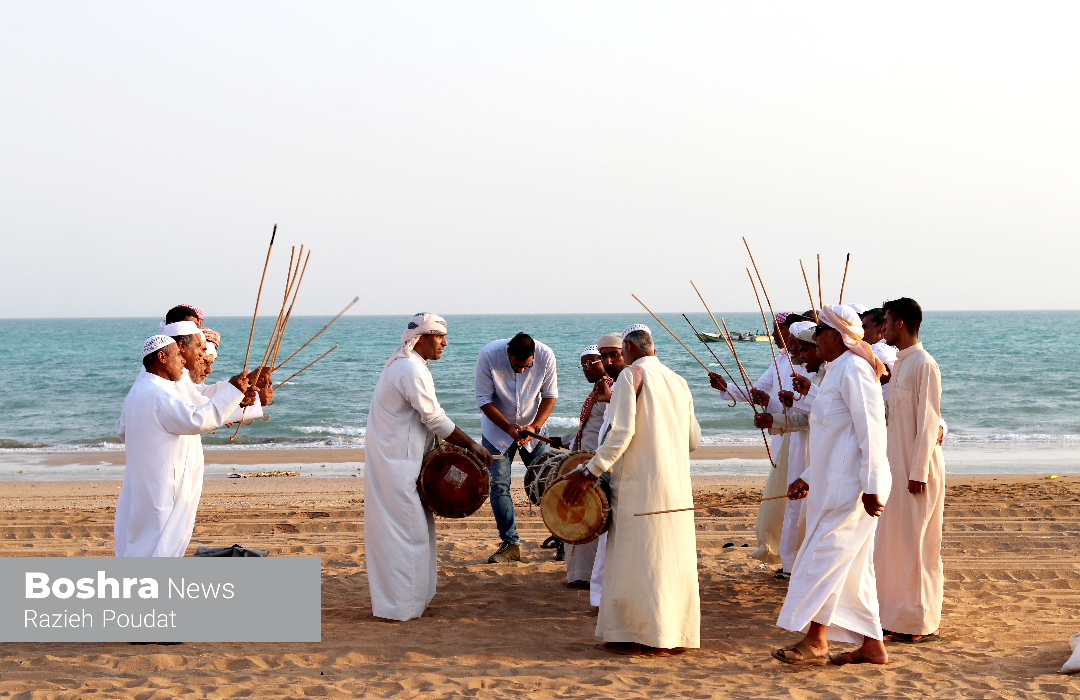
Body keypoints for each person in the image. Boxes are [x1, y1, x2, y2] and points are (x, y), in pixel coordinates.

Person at [561, 324, 702, 655]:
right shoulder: (679, 382)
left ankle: (639, 637)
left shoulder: (630, 376)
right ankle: (670, 636)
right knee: (668, 559)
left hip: (640, 486)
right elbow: (694, 439)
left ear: (628, 349)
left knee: (638, 559)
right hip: (676, 487)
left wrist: (589, 471)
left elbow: (621, 433)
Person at [773, 304, 892, 666]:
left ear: (837, 336)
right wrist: (807, 477)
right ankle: (872, 646)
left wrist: (871, 485)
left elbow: (871, 431)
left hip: (853, 489)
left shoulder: (854, 369)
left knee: (821, 559)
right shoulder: (837, 370)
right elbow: (832, 436)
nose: (815, 340)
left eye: (819, 333)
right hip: (831, 484)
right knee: (852, 569)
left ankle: (816, 640)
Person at [365, 313, 492, 621]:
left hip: (396, 461)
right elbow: (433, 419)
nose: (445, 343)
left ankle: (410, 603)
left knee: (410, 532)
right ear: (420, 339)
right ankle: (402, 608)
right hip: (398, 463)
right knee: (408, 535)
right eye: (439, 337)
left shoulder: (405, 365)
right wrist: (471, 445)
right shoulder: (409, 369)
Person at [114, 335, 252, 557]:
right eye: (178, 355)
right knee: (161, 541)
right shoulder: (158, 393)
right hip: (163, 484)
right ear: (161, 357)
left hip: (143, 482)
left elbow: (122, 430)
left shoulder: (138, 391)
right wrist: (233, 390)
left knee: (141, 537)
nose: (183, 361)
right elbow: (196, 420)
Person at [709, 312, 807, 568]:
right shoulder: (781, 360)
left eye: (777, 329)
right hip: (783, 437)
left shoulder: (808, 362)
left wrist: (772, 402)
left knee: (800, 502)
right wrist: (727, 387)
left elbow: (807, 410)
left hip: (803, 438)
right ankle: (787, 560)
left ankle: (793, 561)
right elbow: (758, 392)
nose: (773, 335)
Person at [875, 298, 946, 644]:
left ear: (900, 324)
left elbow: (930, 422)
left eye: (886, 322)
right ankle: (895, 617)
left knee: (918, 546)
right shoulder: (900, 365)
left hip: (918, 473)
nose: (882, 328)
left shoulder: (924, 365)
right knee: (896, 545)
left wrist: (918, 471)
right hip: (895, 468)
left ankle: (920, 623)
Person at [475, 332, 558, 563]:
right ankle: (510, 543)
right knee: (498, 485)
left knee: (548, 485)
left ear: (533, 356)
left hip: (534, 429)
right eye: (516, 366)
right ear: (508, 353)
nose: (521, 370)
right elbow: (483, 398)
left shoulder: (546, 355)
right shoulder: (489, 355)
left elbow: (550, 396)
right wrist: (507, 427)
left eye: (526, 366)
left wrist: (535, 426)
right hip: (496, 430)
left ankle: (562, 539)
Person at [760, 320, 827, 577]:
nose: (796, 355)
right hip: (801, 444)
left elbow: (832, 415)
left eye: (801, 349)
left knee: (810, 509)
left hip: (821, 450)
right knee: (796, 506)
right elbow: (811, 414)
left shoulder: (837, 372)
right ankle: (792, 566)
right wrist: (776, 416)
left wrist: (802, 399)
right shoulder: (820, 371)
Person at [552, 344, 614, 584]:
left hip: (596, 465)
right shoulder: (599, 390)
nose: (587, 368)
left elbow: (612, 432)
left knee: (589, 516)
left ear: (606, 361)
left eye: (592, 362)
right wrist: (564, 440)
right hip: (585, 460)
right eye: (583, 364)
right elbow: (588, 429)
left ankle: (587, 577)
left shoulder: (612, 389)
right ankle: (582, 575)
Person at [588, 332, 627, 607]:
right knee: (605, 542)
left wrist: (591, 470)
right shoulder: (615, 387)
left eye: (615, 354)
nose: (609, 361)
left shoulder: (632, 382)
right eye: (605, 356)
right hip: (610, 473)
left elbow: (623, 432)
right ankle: (601, 600)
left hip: (625, 474)